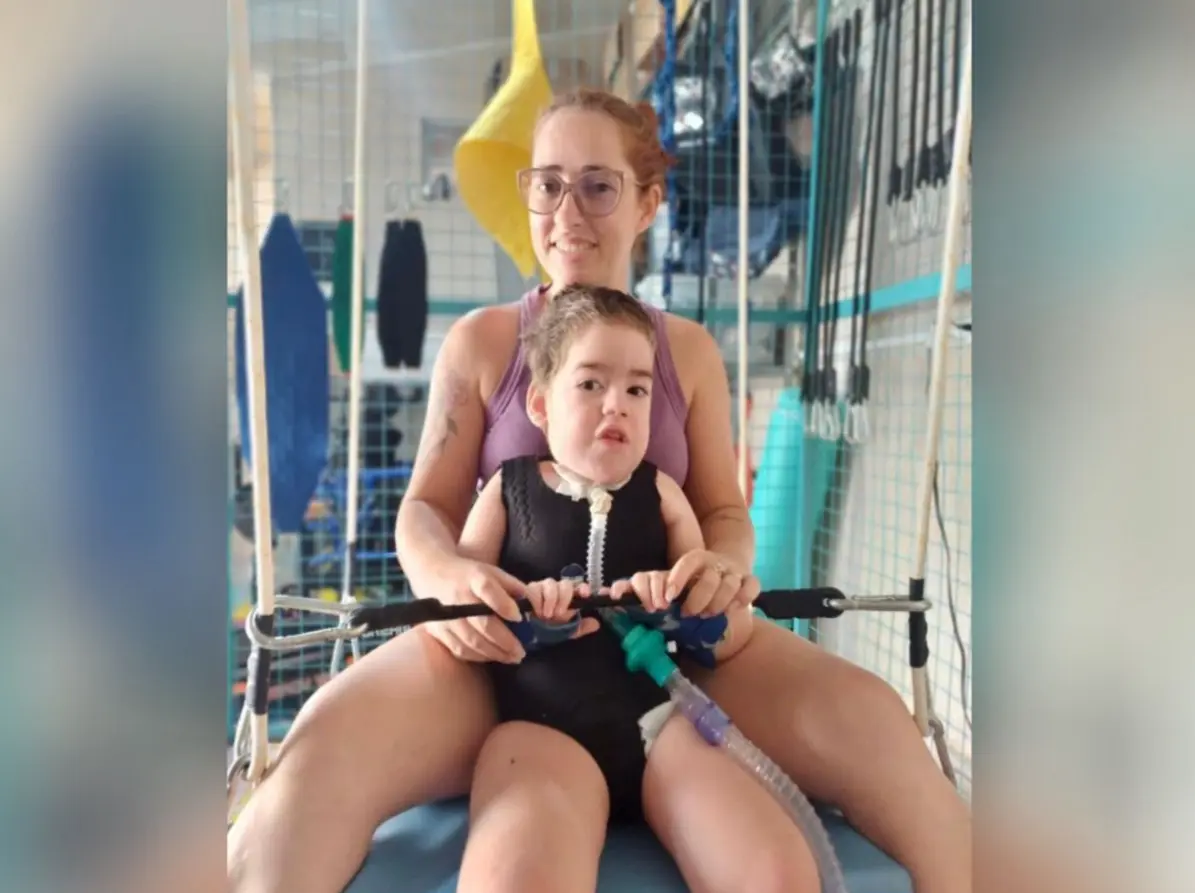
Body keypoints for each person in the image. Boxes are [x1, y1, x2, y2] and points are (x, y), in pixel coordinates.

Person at [227, 87, 971, 893]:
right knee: (319, 748)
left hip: (674, 655)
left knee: (875, 721)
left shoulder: (687, 353)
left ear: (648, 202)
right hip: (501, 659)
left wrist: (720, 567)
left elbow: (723, 510)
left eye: (596, 186)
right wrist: (452, 579)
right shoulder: (483, 343)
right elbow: (425, 510)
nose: (566, 211)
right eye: (547, 184)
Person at [454, 283, 814, 892]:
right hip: (539, 732)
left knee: (774, 874)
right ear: (539, 404)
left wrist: (675, 600)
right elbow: (465, 610)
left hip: (663, 725)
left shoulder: (664, 494)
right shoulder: (507, 492)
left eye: (637, 390)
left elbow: (712, 626)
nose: (616, 405)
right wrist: (526, 614)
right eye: (591, 384)